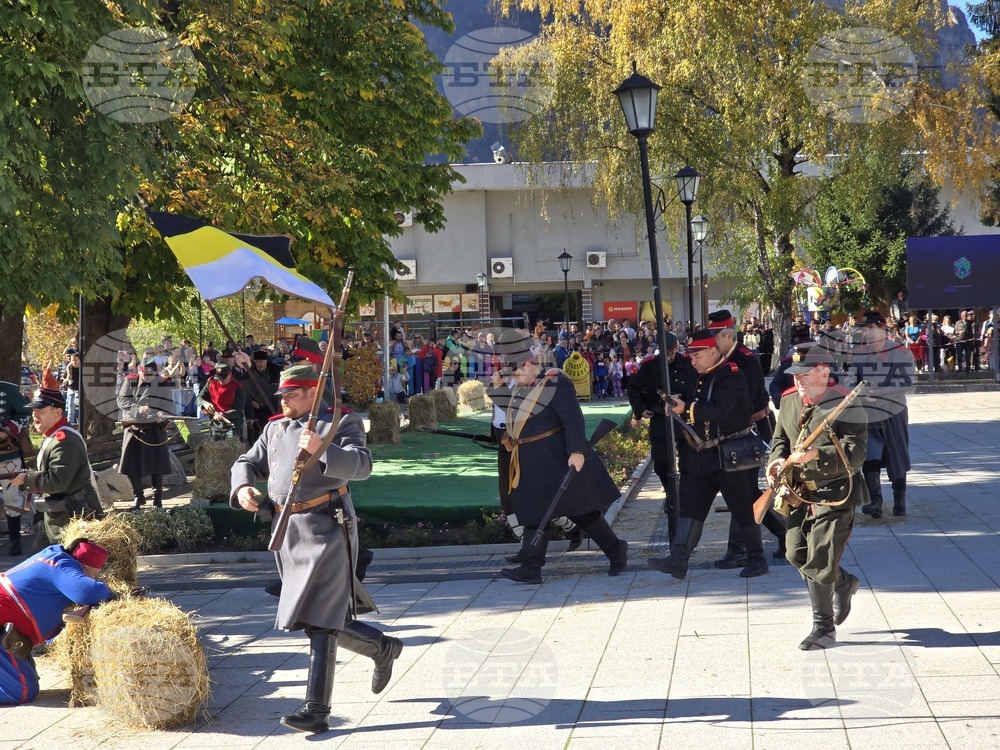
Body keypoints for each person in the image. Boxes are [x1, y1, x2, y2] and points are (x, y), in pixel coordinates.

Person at [231, 365, 401, 734]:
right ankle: (380, 647)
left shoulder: (340, 421)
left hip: (327, 526)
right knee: (314, 617)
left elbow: (363, 466)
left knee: (321, 620)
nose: (284, 401)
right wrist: (243, 487)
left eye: (291, 394)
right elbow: (247, 462)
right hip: (287, 533)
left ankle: (316, 711)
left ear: (313, 391)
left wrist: (323, 449)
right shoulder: (275, 427)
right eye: (282, 396)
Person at [497, 331, 627, 584]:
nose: (514, 379)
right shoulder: (526, 387)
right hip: (533, 461)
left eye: (515, 374)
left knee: (582, 512)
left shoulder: (555, 382)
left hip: (557, 459)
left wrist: (577, 451)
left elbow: (573, 419)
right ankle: (531, 568)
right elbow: (515, 414)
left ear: (527, 365)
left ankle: (615, 549)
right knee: (535, 512)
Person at [646, 329, 768, 580]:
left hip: (731, 454)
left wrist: (687, 408)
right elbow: (693, 401)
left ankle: (757, 559)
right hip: (702, 455)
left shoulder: (732, 375)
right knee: (692, 507)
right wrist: (676, 403)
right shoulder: (696, 375)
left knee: (743, 507)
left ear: (713, 352)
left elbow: (719, 410)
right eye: (691, 356)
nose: (693, 360)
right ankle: (678, 560)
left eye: (698, 355)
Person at [767, 344, 867, 650]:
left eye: (805, 375)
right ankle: (843, 583)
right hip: (799, 493)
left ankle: (823, 628)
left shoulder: (847, 403)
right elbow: (780, 439)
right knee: (795, 554)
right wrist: (775, 462)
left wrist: (816, 454)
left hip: (836, 493)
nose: (798, 382)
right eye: (795, 375)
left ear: (824, 372)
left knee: (820, 556)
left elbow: (857, 453)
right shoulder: (788, 401)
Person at [709, 311, 786, 566]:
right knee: (747, 492)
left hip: (751, 430)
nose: (712, 342)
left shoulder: (745, 359)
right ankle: (780, 532)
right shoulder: (722, 359)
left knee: (740, 491)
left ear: (728, 335)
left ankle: (739, 549)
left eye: (715, 337)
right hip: (734, 434)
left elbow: (751, 400)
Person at [0, 538, 114, 704]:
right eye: (92, 575)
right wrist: (108, 590)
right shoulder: (60, 564)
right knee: (22, 692)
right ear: (81, 568)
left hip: (9, 633)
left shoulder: (57, 559)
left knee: (29, 680)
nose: (93, 579)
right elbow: (87, 592)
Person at [7, 388, 103, 544]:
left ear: (57, 412)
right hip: (61, 517)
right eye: (33, 410)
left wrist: (27, 479)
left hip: (73, 519)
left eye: (40, 410)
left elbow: (58, 481)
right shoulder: (55, 437)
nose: (34, 414)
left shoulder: (64, 441)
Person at [627, 333, 690, 538]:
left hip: (684, 419)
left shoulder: (687, 364)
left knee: (690, 460)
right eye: (665, 352)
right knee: (661, 463)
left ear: (676, 348)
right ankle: (671, 492)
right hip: (660, 418)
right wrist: (639, 410)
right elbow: (633, 388)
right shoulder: (649, 366)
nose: (669, 355)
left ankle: (682, 495)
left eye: (671, 351)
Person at [852, 310, 913, 518]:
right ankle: (875, 501)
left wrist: (877, 394)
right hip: (868, 413)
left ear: (882, 328)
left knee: (897, 455)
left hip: (894, 412)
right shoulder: (859, 353)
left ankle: (900, 501)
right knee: (870, 454)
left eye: (871, 328)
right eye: (865, 329)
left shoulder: (901, 352)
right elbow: (852, 380)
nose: (867, 333)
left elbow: (906, 382)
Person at [117, 358, 174, 510]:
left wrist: (163, 414)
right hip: (134, 427)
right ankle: (139, 496)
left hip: (155, 427)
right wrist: (137, 408)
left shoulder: (162, 382)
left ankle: (157, 499)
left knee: (157, 465)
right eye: (145, 374)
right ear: (140, 371)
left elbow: (169, 405)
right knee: (129, 465)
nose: (148, 377)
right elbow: (121, 400)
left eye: (151, 375)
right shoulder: (130, 381)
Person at [1, 380, 31, 557]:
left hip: (7, 453)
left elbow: (24, 412)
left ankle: (15, 540)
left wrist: (8, 429)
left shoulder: (7, 389)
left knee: (11, 497)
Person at [198, 362, 247, 441]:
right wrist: (205, 403)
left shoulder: (238, 387)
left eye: (223, 378)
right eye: (218, 377)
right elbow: (199, 398)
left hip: (232, 426)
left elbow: (238, 411)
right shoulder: (211, 382)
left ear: (229, 374)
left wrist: (223, 415)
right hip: (215, 425)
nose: (220, 380)